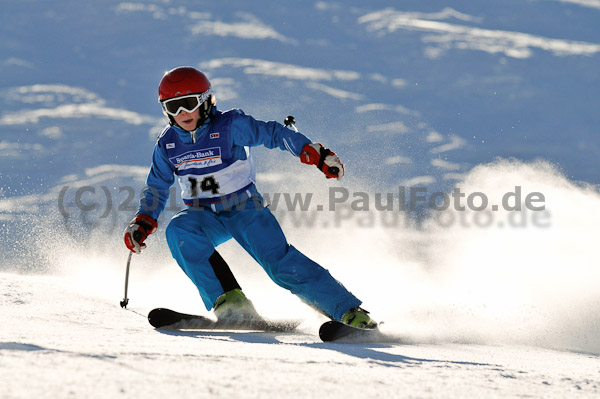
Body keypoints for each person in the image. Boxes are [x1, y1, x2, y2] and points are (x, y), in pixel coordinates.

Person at [123, 66, 376, 328]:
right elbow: (157, 186)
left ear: (206, 101)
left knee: (278, 264)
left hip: (244, 209)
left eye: (187, 104)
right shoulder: (168, 144)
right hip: (205, 216)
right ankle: (231, 303)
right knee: (179, 230)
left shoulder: (230, 126)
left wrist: (313, 152)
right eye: (172, 107)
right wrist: (144, 220)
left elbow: (273, 133)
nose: (182, 113)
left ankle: (349, 313)